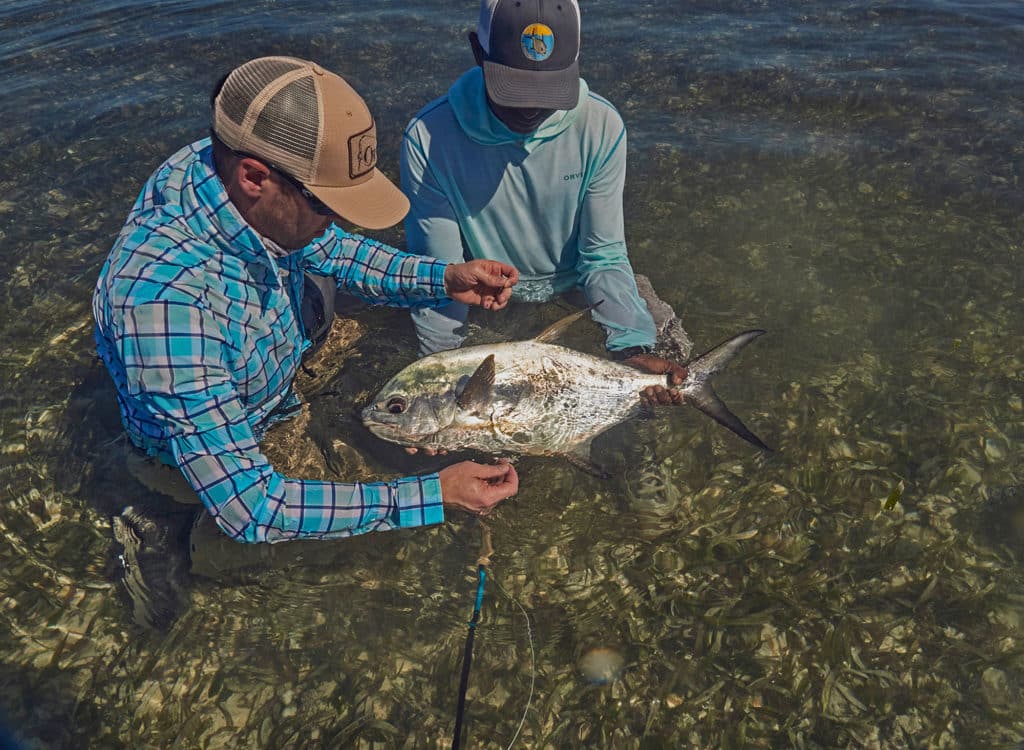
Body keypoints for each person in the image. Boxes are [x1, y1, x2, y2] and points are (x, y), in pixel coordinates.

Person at [92, 56, 520, 628]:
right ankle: (163, 531)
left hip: (266, 368)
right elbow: (254, 507)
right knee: (325, 546)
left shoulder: (223, 173)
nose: (335, 222)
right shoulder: (166, 307)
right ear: (254, 177)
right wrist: (429, 496)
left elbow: (332, 249)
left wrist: (441, 278)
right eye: (325, 205)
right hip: (202, 450)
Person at [401, 0, 693, 407]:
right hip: (488, 294)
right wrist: (439, 374)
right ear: (477, 52)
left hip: (580, 281)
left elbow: (603, 256)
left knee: (670, 362)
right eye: (514, 90)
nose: (531, 108)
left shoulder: (601, 125)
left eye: (549, 90)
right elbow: (443, 273)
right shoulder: (428, 138)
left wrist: (630, 348)